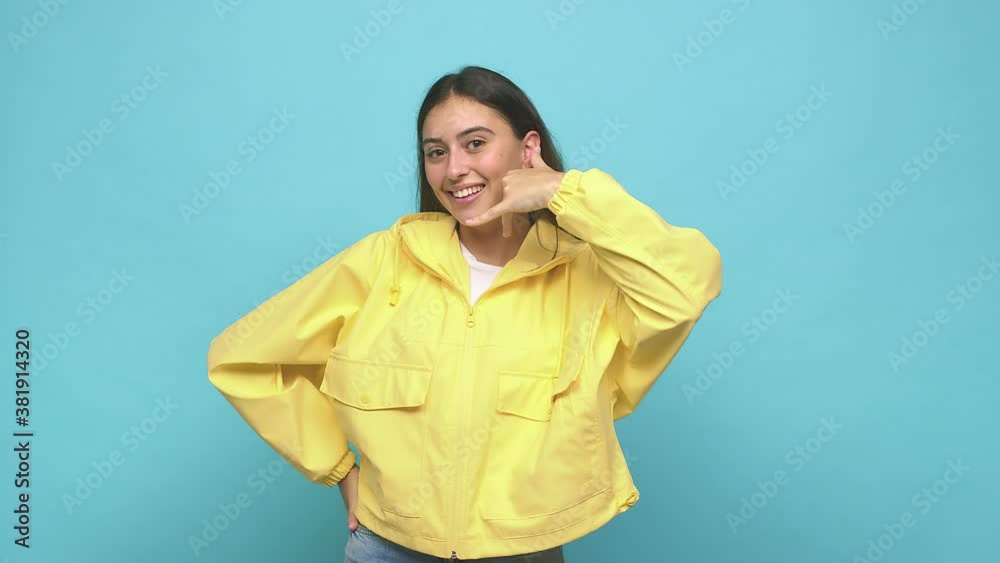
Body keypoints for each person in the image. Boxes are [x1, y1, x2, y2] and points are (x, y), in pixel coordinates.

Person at [207, 65, 723, 562]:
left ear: (528, 148)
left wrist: (565, 192)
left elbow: (689, 283)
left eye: (475, 143)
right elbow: (240, 358)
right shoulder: (382, 261)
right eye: (436, 152)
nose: (454, 169)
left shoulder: (586, 274)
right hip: (387, 548)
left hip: (524, 553)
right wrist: (340, 470)